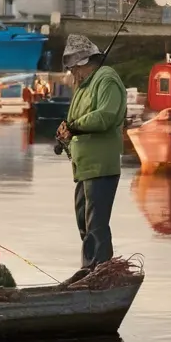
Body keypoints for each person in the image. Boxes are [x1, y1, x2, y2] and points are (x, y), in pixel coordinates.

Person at [56, 34, 126, 278]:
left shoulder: (106, 79)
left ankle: (101, 271)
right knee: (84, 223)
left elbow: (105, 116)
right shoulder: (83, 87)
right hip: (83, 167)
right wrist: (66, 129)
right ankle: (89, 269)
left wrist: (74, 126)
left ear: (84, 62)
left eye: (75, 68)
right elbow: (74, 121)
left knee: (96, 224)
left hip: (101, 165)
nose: (73, 74)